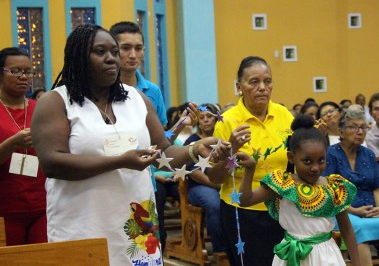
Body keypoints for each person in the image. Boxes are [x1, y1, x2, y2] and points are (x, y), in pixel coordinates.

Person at [31, 24, 217, 266]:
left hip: (136, 229)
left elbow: (165, 151)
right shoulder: (55, 102)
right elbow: (52, 163)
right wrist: (120, 161)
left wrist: (195, 149)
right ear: (78, 57)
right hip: (82, 224)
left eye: (114, 52)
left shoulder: (137, 99)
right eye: (100, 52)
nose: (111, 59)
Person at [237, 115, 361, 266]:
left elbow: (347, 230)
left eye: (321, 160)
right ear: (291, 157)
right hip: (291, 255)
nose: (315, 168)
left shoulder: (334, 187)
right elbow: (245, 200)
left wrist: (356, 263)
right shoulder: (283, 184)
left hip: (326, 257)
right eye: (307, 161)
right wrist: (250, 169)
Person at [208, 56, 294, 266]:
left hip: (282, 208)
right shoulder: (227, 121)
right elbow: (216, 178)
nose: (262, 88)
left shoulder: (284, 115)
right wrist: (232, 149)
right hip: (242, 212)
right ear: (239, 87)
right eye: (254, 82)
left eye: (268, 81)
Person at [324, 109, 379, 266]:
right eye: (353, 127)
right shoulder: (331, 154)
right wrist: (353, 210)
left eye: (363, 127)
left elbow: (377, 187)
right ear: (341, 131)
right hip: (342, 211)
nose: (359, 131)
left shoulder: (368, 154)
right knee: (358, 227)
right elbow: (329, 190)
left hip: (372, 210)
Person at [0, 47, 47, 246]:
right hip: (4, 210)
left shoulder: (41, 108)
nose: (23, 77)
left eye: (28, 72)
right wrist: (12, 143)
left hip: (42, 207)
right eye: (15, 71)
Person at [183, 103, 226, 253]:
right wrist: (215, 186)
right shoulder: (192, 141)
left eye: (209, 116)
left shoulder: (222, 138)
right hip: (200, 186)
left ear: (216, 119)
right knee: (215, 204)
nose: (206, 120)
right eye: (202, 118)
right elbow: (193, 172)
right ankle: (221, 251)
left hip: (223, 184)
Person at [109, 21, 167, 126]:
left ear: (143, 51)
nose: (133, 55)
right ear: (113, 50)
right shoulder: (101, 90)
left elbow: (164, 138)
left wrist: (181, 124)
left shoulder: (153, 91)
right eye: (126, 48)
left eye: (138, 48)